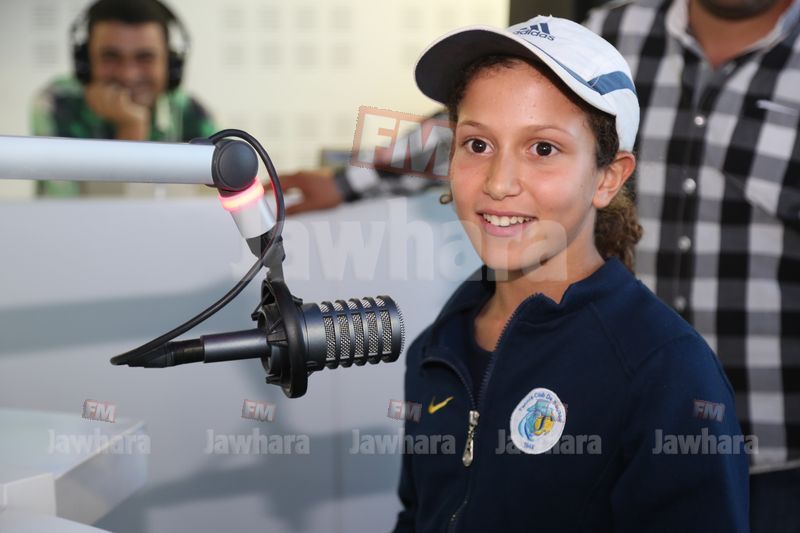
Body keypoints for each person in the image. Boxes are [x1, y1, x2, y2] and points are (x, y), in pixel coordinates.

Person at [392, 15, 749, 532]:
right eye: (477, 144)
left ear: (608, 178)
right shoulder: (435, 349)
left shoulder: (665, 371)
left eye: (543, 149)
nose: (499, 183)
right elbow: (418, 515)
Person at [581, 1, 799, 530]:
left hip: (775, 461)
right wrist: (371, 169)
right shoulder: (610, 34)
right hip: (611, 441)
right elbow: (497, 123)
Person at [31, 0, 216, 196]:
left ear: (170, 65)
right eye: (110, 57)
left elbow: (213, 207)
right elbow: (65, 210)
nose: (128, 75)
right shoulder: (57, 105)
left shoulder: (191, 113)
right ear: (85, 62)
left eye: (145, 58)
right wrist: (131, 131)